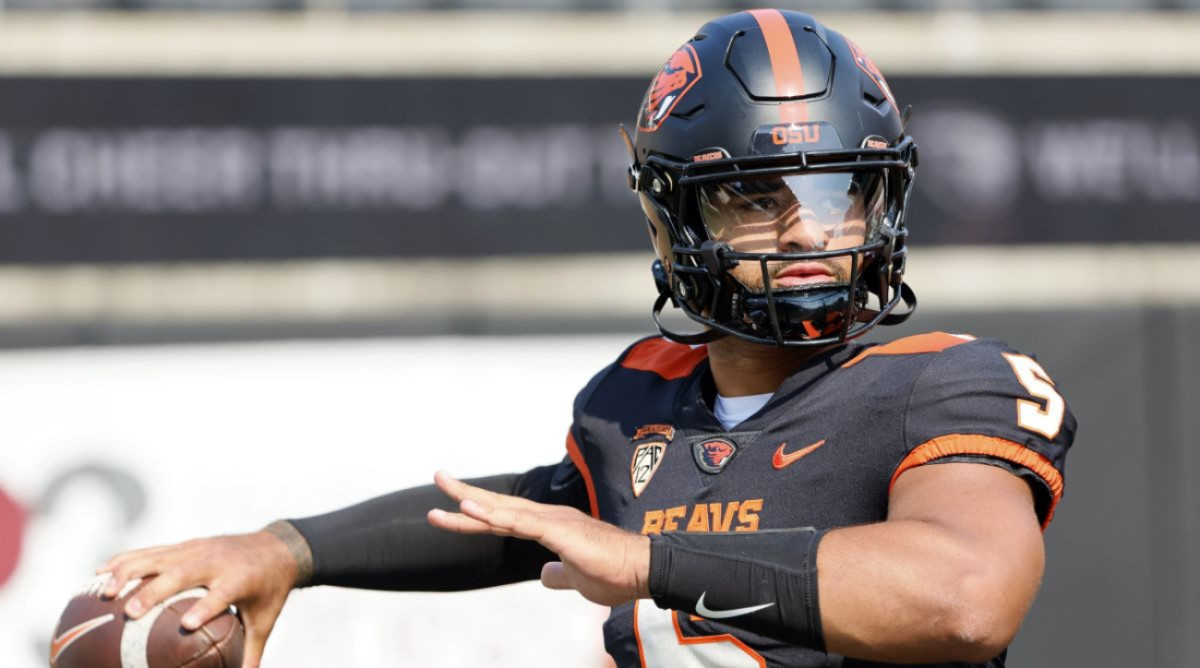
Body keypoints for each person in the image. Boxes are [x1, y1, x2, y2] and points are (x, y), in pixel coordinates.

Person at [98, 9, 1075, 668]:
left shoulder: (947, 383)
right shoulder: (637, 402)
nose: (810, 231)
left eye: (838, 191)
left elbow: (965, 592)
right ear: (671, 223)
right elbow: (527, 513)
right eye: (755, 198)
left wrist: (653, 559)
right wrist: (284, 547)